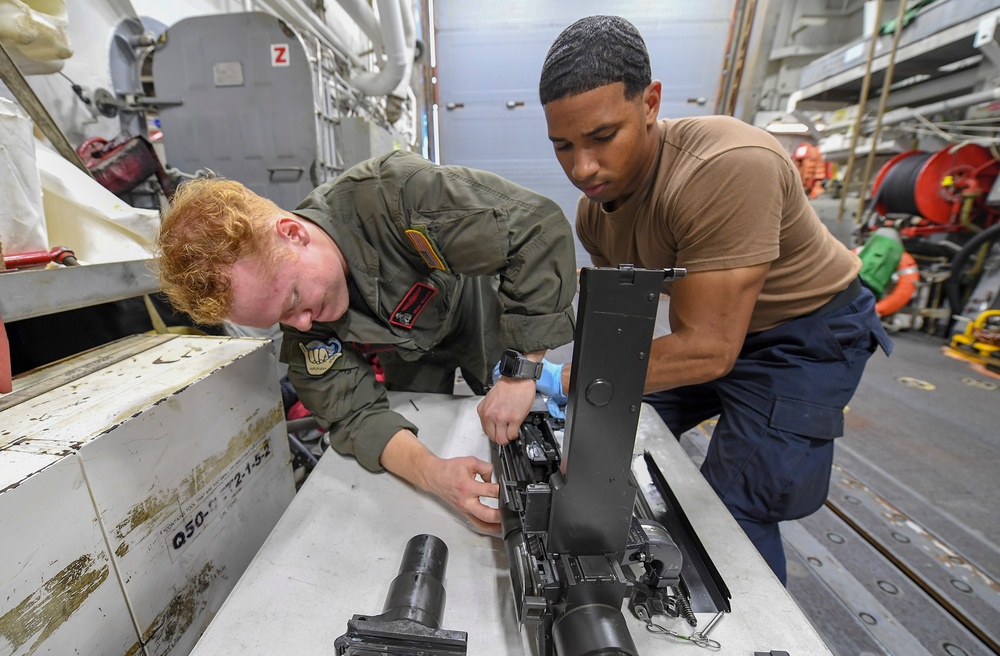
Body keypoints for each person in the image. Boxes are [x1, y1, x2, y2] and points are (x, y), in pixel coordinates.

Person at [487, 14, 892, 584]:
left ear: (651, 103)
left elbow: (707, 352)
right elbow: (620, 330)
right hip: (711, 328)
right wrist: (581, 411)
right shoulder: (594, 213)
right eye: (563, 146)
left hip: (804, 336)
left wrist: (565, 378)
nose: (582, 168)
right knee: (606, 432)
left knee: (734, 512)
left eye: (603, 137)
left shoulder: (728, 169)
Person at [156, 149, 577, 532]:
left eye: (294, 300)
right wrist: (434, 474)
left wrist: (522, 370)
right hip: (404, 348)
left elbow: (535, 229)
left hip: (471, 309)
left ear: (293, 234)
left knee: (515, 416)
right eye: (281, 319)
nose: (302, 324)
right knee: (426, 422)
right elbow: (353, 414)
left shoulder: (397, 194)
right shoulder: (302, 317)